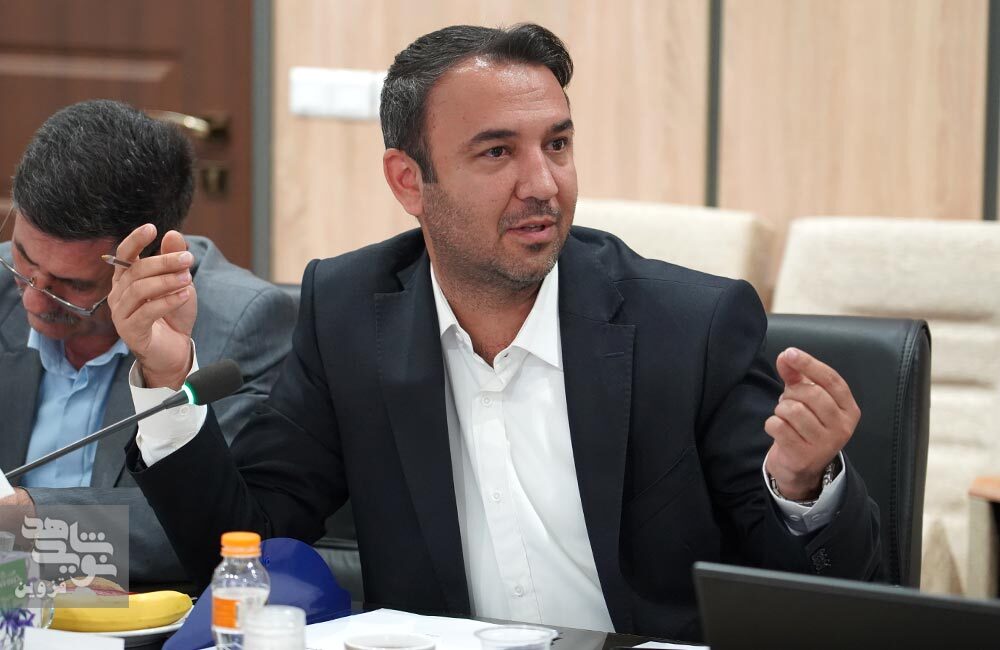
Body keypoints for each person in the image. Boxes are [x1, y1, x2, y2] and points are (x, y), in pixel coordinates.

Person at [113, 25, 880, 640]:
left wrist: (801, 486)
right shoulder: (349, 313)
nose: (543, 183)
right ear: (408, 181)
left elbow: (823, 598)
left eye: (558, 144)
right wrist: (167, 381)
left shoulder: (690, 326)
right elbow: (246, 547)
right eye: (497, 152)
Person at [0, 99, 296, 585]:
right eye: (23, 261)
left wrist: (25, 527)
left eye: (72, 286)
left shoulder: (242, 325)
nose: (33, 299)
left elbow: (205, 534)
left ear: (147, 263)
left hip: (135, 611)